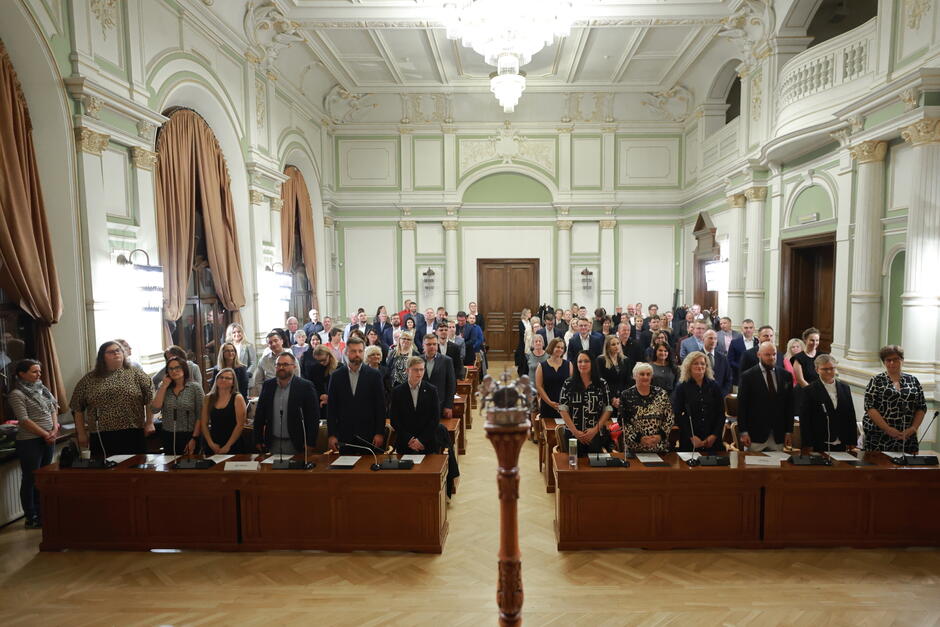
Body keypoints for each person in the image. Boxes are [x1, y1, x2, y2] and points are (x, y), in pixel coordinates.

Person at [70, 341, 154, 455]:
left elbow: (150, 399)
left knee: (133, 469)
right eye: (111, 352)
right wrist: (81, 433)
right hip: (101, 433)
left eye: (118, 350)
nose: (116, 353)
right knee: (104, 470)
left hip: (132, 430)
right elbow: (77, 407)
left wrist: (149, 422)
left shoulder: (137, 374)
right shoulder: (89, 379)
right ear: (102, 357)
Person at [9, 359, 58, 529]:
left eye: (39, 371)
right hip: (30, 441)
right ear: (21, 374)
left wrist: (54, 429)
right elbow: (23, 420)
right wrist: (46, 434)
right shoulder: (17, 394)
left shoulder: (42, 389)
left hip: (48, 438)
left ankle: (42, 512)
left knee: (43, 478)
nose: (39, 375)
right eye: (34, 372)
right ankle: (31, 516)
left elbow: (53, 409)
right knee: (30, 478)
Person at [327, 337, 387, 455]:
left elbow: (380, 406)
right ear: (347, 352)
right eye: (353, 351)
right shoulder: (336, 376)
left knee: (368, 469)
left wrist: (379, 433)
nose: (357, 354)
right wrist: (332, 434)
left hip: (369, 434)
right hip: (344, 434)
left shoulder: (374, 375)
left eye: (360, 351)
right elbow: (332, 408)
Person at [863, 345, 926, 453]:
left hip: (907, 436)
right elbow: (870, 407)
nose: (892, 363)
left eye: (895, 359)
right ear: (884, 362)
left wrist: (913, 429)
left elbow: (921, 407)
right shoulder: (876, 380)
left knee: (908, 467)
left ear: (902, 360)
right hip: (880, 435)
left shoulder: (913, 380)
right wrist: (887, 429)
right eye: (888, 360)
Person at [254, 352, 319, 457]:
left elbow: (313, 417)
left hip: (296, 443)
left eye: (285, 364)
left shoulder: (305, 386)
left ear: (294, 366)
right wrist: (257, 439)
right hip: (272, 442)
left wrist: (310, 442)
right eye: (278, 365)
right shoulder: (268, 386)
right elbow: (259, 415)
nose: (281, 367)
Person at [737, 341, 795, 451]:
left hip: (778, 434)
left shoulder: (786, 376)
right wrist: (743, 432)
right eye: (767, 355)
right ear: (759, 355)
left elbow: (789, 406)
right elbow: (742, 407)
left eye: (774, 354)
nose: (772, 357)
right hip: (755, 434)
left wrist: (789, 431)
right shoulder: (748, 376)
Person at [558, 351, 613, 456]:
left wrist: (595, 429)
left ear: (592, 363)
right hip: (573, 434)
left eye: (586, 361)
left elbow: (608, 408)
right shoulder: (568, 383)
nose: (582, 364)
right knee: (573, 466)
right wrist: (575, 432)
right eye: (580, 361)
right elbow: (562, 409)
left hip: (595, 434)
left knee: (593, 468)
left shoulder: (601, 383)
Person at [800, 355, 857, 453]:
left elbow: (850, 415)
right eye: (825, 369)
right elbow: (805, 420)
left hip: (842, 441)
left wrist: (852, 441)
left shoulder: (845, 388)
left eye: (832, 368)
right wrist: (807, 444)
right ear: (817, 370)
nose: (829, 372)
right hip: (819, 442)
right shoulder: (809, 390)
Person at [672, 352, 725, 453]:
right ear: (688, 366)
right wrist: (691, 437)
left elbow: (721, 414)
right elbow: (678, 415)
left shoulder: (714, 386)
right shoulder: (682, 387)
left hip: (712, 441)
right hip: (690, 442)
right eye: (695, 363)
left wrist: (714, 435)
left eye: (702, 363)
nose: (700, 366)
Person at [389, 356, 443, 454]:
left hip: (427, 442)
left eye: (421, 370)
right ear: (407, 370)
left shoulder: (431, 390)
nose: (419, 373)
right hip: (405, 443)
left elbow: (435, 418)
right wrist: (409, 439)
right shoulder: (398, 391)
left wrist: (421, 440)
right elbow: (395, 419)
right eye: (415, 370)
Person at [152, 355, 204, 455]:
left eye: (177, 367)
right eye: (170, 369)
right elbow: (155, 409)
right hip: (169, 434)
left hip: (190, 435)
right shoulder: (164, 388)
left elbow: (200, 416)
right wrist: (163, 386)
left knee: (189, 467)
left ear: (184, 369)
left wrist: (194, 438)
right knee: (171, 467)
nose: (174, 371)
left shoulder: (195, 388)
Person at [620, 362, 674, 454]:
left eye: (648, 374)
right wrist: (639, 438)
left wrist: (660, 436)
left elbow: (669, 418)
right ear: (634, 376)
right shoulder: (626, 395)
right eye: (642, 374)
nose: (645, 377)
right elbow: (623, 421)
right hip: (635, 447)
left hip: (659, 446)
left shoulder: (661, 393)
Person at [200, 367, 247, 455]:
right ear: (216, 379)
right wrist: (211, 444)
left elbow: (240, 424)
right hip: (213, 442)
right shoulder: (208, 398)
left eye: (228, 378)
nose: (223, 379)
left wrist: (227, 446)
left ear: (233, 382)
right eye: (221, 377)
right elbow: (204, 423)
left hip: (233, 443)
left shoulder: (237, 398)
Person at [536, 338, 572, 421]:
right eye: (557, 347)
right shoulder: (542, 366)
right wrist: (550, 402)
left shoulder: (568, 364)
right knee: (548, 431)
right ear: (552, 347)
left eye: (562, 348)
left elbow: (572, 385)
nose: (560, 349)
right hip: (547, 404)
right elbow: (539, 386)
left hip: (565, 405)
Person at [422, 334, 456, 418]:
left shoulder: (446, 361)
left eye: (434, 344)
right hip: (422, 403)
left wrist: (448, 406)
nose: (432, 347)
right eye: (429, 344)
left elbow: (451, 385)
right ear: (423, 345)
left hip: (440, 403)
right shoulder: (418, 360)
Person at [303, 345, 338, 423]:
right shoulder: (314, 369)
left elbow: (342, 388)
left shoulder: (339, 368)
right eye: (319, 361)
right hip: (319, 403)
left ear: (329, 355)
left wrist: (329, 397)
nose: (322, 363)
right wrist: (320, 396)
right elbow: (311, 387)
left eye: (324, 360)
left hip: (335, 403)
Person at [596, 334, 633, 405]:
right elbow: (600, 381)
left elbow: (628, 381)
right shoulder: (601, 360)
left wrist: (621, 398)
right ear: (607, 347)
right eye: (613, 344)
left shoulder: (625, 360)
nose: (616, 346)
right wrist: (612, 398)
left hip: (622, 398)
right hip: (606, 398)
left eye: (618, 343)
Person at [251, 331, 291, 395]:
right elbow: (258, 381)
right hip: (270, 393)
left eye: (276, 341)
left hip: (288, 392)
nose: (273, 344)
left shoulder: (291, 358)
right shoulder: (263, 360)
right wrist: (264, 394)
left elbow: (297, 377)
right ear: (268, 345)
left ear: (282, 341)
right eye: (270, 342)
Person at [701, 329, 732, 397]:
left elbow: (728, 379)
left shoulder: (723, 358)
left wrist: (722, 394)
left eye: (715, 338)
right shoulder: (696, 356)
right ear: (703, 339)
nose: (713, 341)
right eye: (710, 338)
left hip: (719, 397)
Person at [727, 319, 758, 384]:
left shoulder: (758, 342)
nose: (748, 330)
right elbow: (730, 360)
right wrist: (742, 367)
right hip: (739, 376)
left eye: (750, 327)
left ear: (754, 329)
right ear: (742, 329)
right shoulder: (734, 343)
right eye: (746, 328)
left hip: (756, 376)